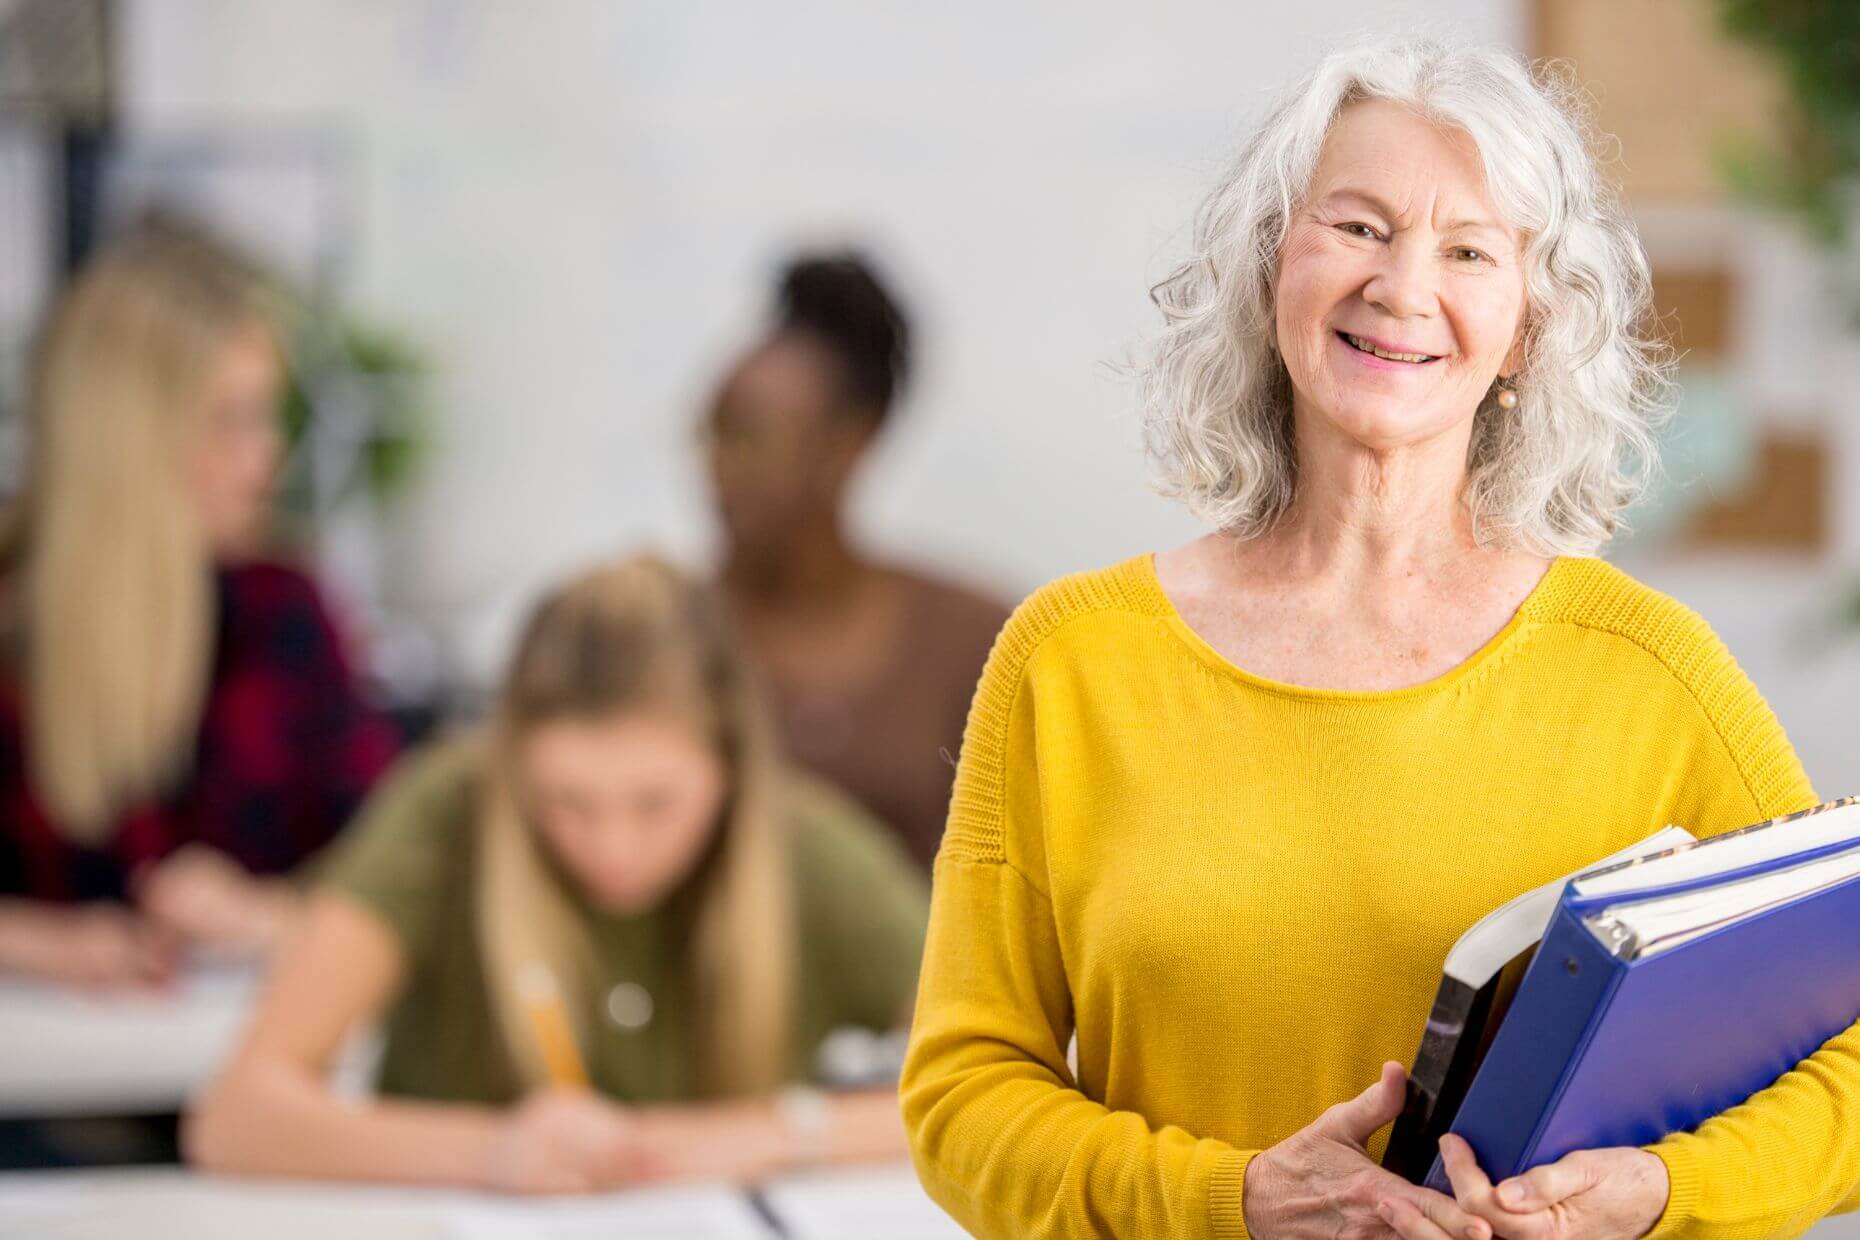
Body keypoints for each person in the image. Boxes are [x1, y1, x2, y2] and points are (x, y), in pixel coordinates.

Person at [900, 39, 1860, 1240]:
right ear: (1271, 265)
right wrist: (1233, 1199)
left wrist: (1668, 1193)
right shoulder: (1069, 663)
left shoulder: (1653, 675)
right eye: (1358, 227)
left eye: (1469, 251)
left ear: (1527, 328)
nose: (1403, 288)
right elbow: (962, 1095)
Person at [186, 553, 928, 1192]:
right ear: (512, 764)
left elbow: (996, 1085)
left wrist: (773, 1134)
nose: (613, 848)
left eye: (655, 804)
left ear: (730, 768)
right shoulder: (446, 816)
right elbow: (236, 1117)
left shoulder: (806, 846)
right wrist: (490, 1152)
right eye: (567, 802)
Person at [0, 217, 397, 987]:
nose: (267, 457)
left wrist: (270, 913)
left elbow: (395, 873)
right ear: (124, 437)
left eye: (267, 416)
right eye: (228, 421)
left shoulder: (286, 613)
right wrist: (33, 943)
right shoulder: (16, 618)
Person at [702, 252, 1009, 871]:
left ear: (850, 444)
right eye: (713, 431)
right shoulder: (660, 632)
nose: (720, 466)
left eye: (753, 436)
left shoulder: (976, 644)